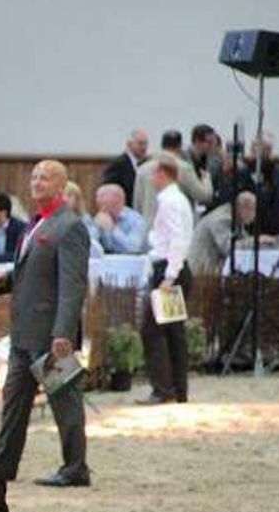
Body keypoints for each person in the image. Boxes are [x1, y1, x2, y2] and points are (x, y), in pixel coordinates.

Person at [0, 160, 90, 488]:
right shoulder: (34, 223)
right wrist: (7, 280)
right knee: (13, 401)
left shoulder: (69, 226)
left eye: (45, 178)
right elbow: (32, 271)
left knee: (65, 401)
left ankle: (76, 467)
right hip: (24, 333)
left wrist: (63, 333)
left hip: (50, 334)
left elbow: (72, 285)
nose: (36, 182)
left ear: (61, 186)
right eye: (34, 176)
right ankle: (3, 463)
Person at [137, 154, 194, 405]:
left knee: (153, 330)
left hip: (169, 270)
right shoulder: (177, 199)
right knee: (173, 331)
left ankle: (163, 388)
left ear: (162, 173)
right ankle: (178, 389)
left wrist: (170, 276)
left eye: (153, 174)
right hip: (174, 269)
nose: (152, 179)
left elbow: (177, 240)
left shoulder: (170, 202)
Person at [134, 130, 213, 224]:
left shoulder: (142, 169)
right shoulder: (184, 168)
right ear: (179, 147)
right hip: (175, 227)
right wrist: (206, 179)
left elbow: (137, 205)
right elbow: (204, 196)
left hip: (148, 228)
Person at [188, 190, 256, 276]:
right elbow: (228, 247)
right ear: (244, 208)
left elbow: (244, 241)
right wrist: (258, 240)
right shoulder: (222, 219)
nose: (254, 216)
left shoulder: (235, 218)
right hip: (200, 274)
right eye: (253, 210)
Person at [89, 183, 147, 254]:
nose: (102, 209)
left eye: (105, 205)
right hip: (107, 259)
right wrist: (95, 227)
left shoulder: (136, 220)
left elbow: (133, 248)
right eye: (99, 205)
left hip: (131, 260)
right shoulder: (102, 216)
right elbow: (90, 245)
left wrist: (113, 229)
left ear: (119, 203)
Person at [101, 129, 148, 207]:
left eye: (146, 144)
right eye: (140, 143)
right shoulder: (117, 164)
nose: (144, 147)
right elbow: (108, 190)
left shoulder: (146, 164)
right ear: (129, 144)